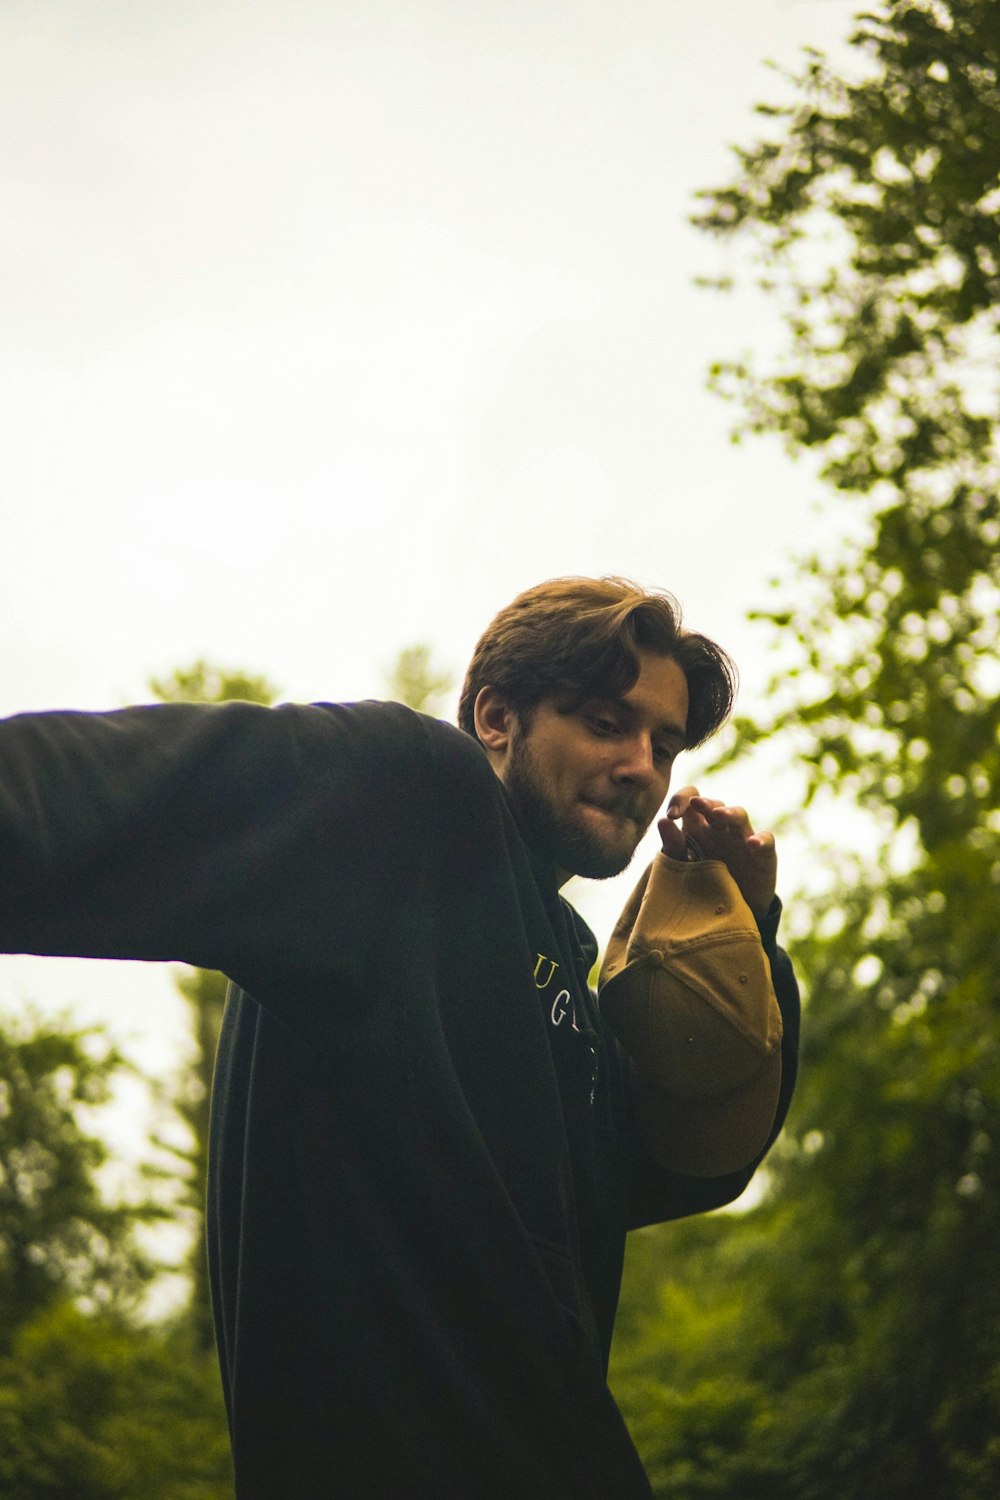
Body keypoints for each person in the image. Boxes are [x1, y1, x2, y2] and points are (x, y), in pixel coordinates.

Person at [0, 576, 799, 1499]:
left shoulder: (564, 990)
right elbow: (104, 797)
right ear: (496, 718)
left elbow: (698, 1157)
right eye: (605, 722)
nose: (643, 766)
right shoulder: (407, 809)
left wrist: (749, 929)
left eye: (664, 743)